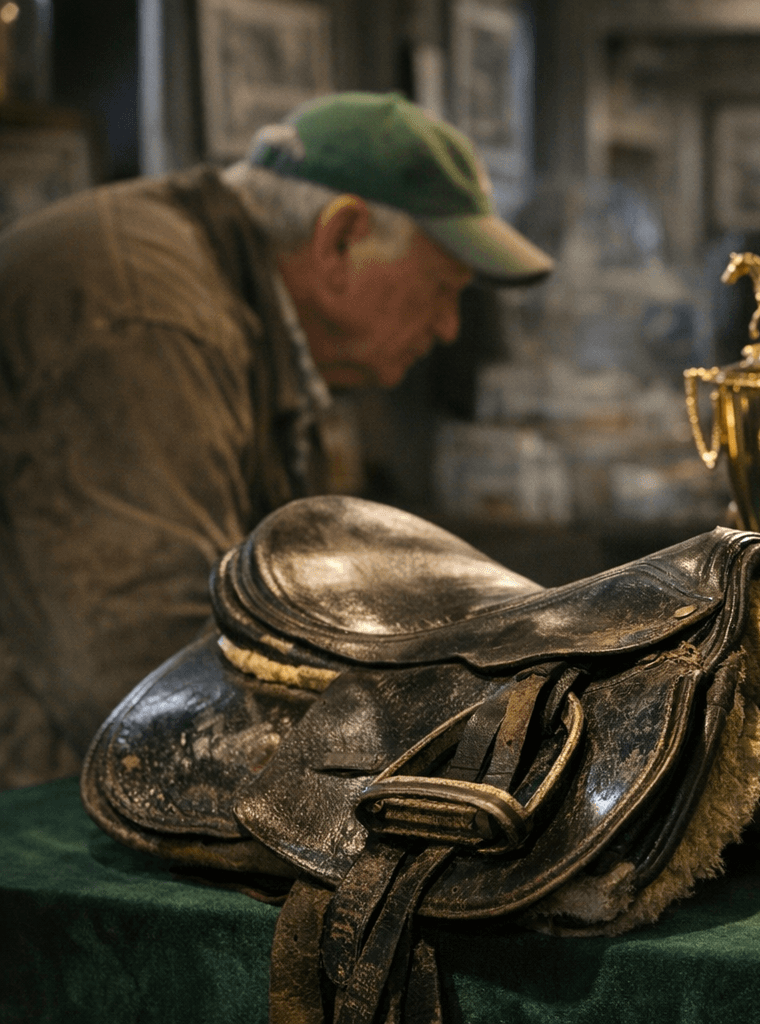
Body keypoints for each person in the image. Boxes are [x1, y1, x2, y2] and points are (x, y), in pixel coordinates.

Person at [0, 92, 554, 789]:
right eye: (443, 287)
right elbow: (142, 675)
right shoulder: (148, 319)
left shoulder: (228, 296)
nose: (447, 327)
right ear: (341, 239)